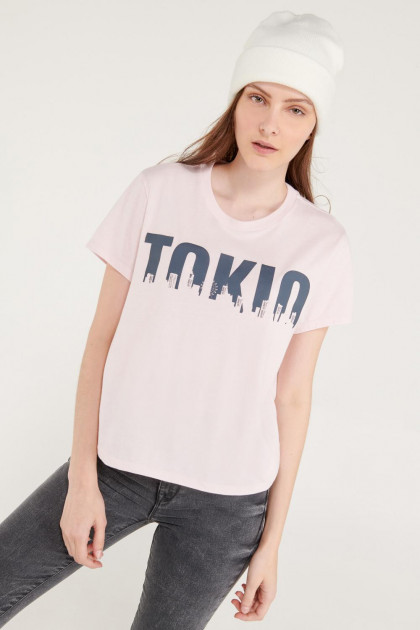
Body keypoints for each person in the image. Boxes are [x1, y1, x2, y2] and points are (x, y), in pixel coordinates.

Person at [0, 10, 353, 629]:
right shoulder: (159, 192)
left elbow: (292, 396)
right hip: (117, 465)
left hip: (229, 501)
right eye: (258, 98)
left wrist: (272, 542)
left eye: (295, 108)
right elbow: (101, 342)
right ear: (236, 101)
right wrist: (82, 479)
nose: (271, 123)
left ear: (313, 124)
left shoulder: (321, 245)